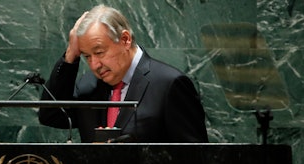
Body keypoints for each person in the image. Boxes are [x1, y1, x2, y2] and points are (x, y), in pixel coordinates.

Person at [39, 4, 208, 143]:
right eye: (87, 56)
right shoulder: (88, 86)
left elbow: (195, 158)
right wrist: (70, 55)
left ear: (125, 40)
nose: (94, 65)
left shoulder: (170, 84)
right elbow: (51, 115)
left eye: (99, 53)